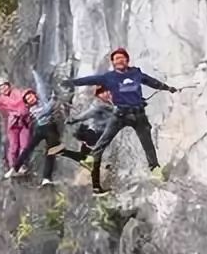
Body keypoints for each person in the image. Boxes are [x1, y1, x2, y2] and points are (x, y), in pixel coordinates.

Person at [61, 47, 178, 183]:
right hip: (120, 114)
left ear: (127, 60)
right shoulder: (109, 77)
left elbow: (151, 81)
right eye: (116, 58)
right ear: (113, 62)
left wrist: (167, 88)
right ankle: (91, 160)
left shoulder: (136, 73)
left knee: (147, 142)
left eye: (122, 57)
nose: (119, 60)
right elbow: (90, 79)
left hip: (138, 113)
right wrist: (72, 83)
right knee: (105, 138)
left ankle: (155, 169)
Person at [55, 86, 114, 195]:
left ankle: (63, 152)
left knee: (87, 160)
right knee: (93, 161)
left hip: (96, 138)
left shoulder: (109, 104)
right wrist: (73, 120)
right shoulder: (99, 106)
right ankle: (96, 187)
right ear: (98, 96)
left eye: (106, 91)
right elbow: (86, 115)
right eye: (102, 93)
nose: (106, 94)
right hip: (94, 136)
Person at [11, 69, 65, 186]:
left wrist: (34, 72)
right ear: (27, 103)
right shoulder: (33, 109)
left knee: (51, 152)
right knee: (28, 148)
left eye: (31, 96)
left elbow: (40, 86)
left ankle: (46, 178)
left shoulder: (42, 100)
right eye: (28, 99)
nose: (31, 98)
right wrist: (52, 101)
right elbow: (45, 111)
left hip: (51, 127)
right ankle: (15, 167)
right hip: (41, 129)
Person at [0, 78, 32, 178]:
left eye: (5, 86)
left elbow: (25, 101)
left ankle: (21, 165)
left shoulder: (18, 93)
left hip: (24, 122)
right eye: (1, 88)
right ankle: (12, 166)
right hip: (13, 124)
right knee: (13, 146)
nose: (4, 89)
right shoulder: (0, 100)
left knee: (24, 145)